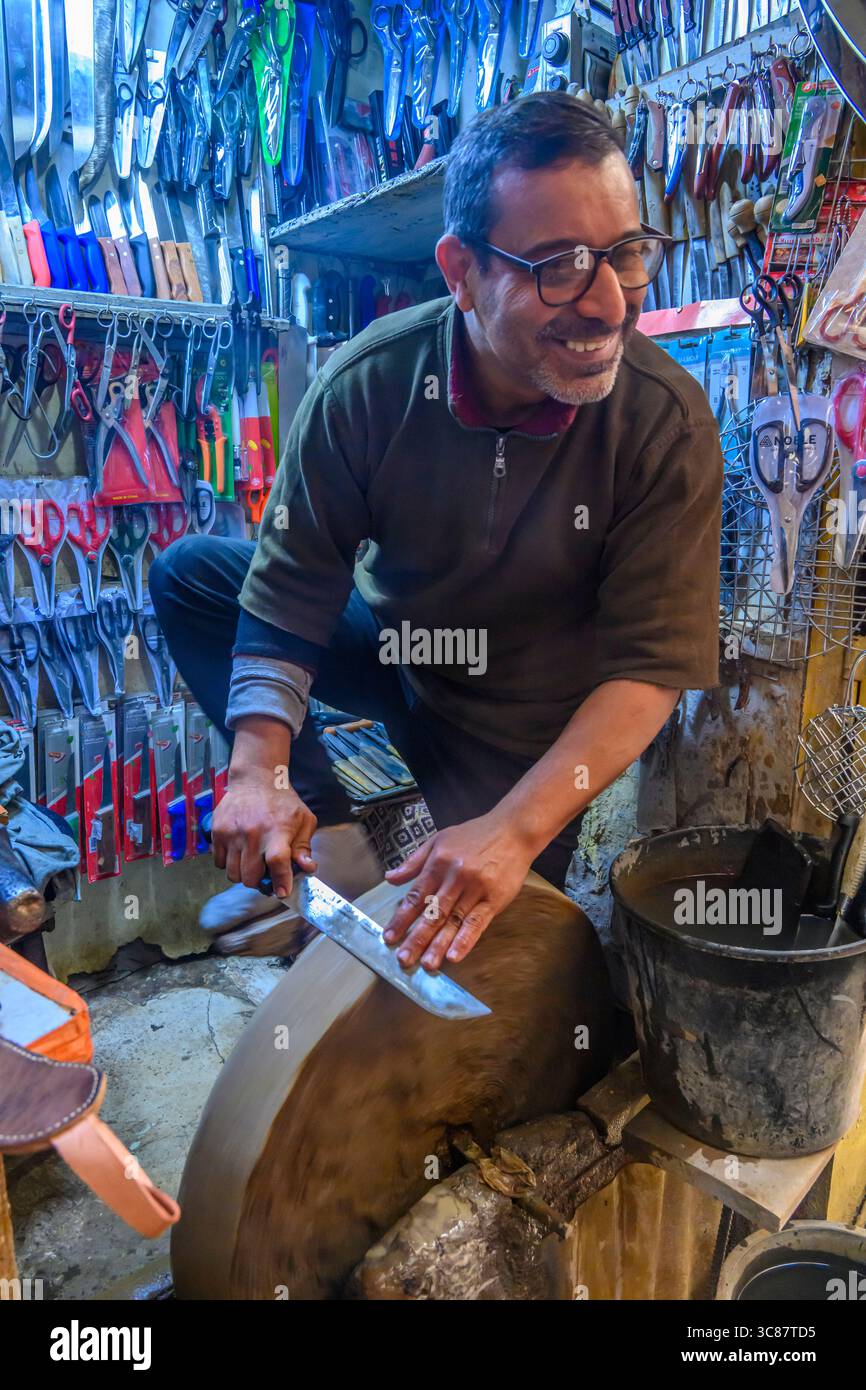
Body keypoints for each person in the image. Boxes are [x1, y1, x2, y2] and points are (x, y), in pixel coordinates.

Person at [151, 90, 723, 969]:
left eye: (626, 254)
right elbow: (291, 587)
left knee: (488, 974)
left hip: (521, 731)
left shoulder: (664, 424)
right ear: (460, 270)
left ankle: (454, 847)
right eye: (560, 265)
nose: (609, 303)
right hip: (400, 659)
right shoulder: (371, 384)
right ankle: (334, 826)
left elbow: (648, 671)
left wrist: (514, 829)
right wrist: (257, 769)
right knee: (195, 574)